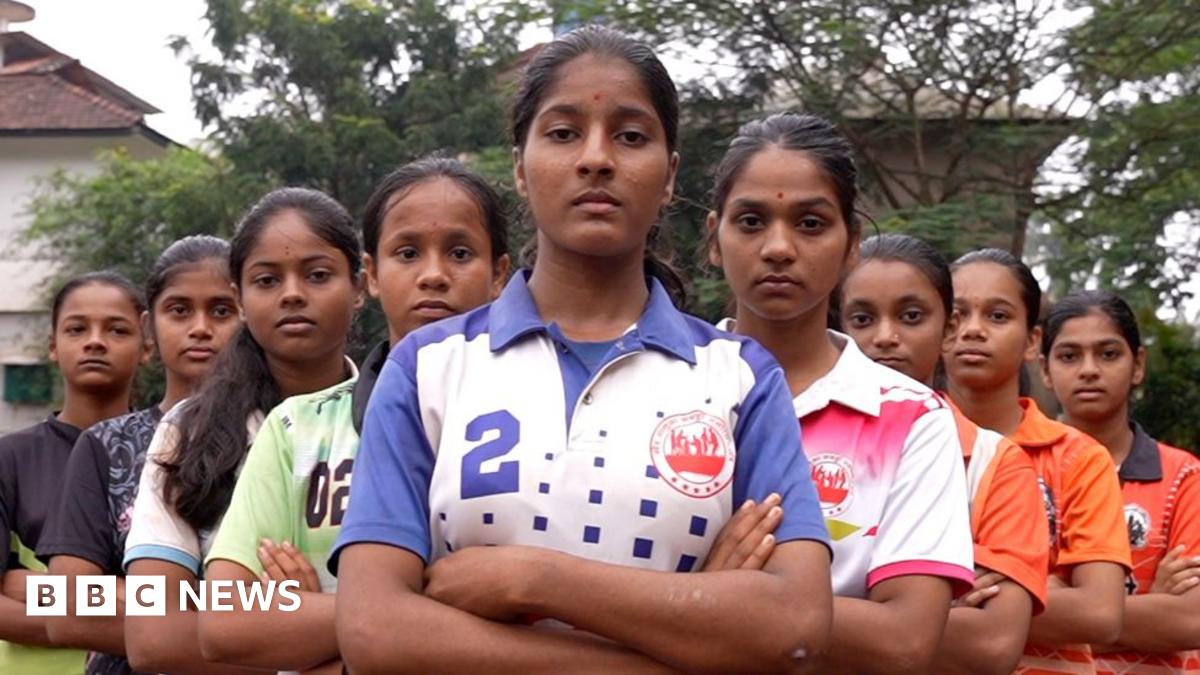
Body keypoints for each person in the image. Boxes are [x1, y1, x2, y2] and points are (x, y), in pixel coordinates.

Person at [332, 26, 833, 675]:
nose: (597, 158)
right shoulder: (429, 366)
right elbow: (376, 632)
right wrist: (688, 642)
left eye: (630, 135)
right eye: (564, 132)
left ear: (670, 173)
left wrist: (533, 578)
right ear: (519, 164)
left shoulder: (739, 376)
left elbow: (795, 624)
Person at [198, 157, 512, 675]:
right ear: (372, 274)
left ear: (499, 273)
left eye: (459, 253)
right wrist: (391, 618)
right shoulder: (294, 428)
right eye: (407, 253)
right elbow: (213, 622)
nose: (433, 275)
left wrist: (313, 615)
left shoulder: (544, 416)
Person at [708, 113, 974, 675]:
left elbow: (904, 640)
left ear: (852, 244)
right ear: (715, 239)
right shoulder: (659, 387)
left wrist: (706, 598)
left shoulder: (913, 418)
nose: (779, 247)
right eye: (751, 221)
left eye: (810, 223)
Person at [122, 188, 363, 675]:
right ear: (241, 298)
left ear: (360, 285)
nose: (292, 293)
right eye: (267, 279)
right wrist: (319, 640)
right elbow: (154, 637)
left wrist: (292, 621)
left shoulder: (400, 414)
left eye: (318, 275)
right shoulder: (188, 432)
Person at [840, 233, 1049, 674]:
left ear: (948, 329)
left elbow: (992, 643)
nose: (885, 337)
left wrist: (778, 609)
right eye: (861, 319)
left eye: (911, 316)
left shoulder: (998, 464)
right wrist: (919, 609)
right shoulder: (788, 429)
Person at [38, 237, 239, 675]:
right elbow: (64, 608)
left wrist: (135, 596)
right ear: (149, 327)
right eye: (180, 310)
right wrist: (248, 614)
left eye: (221, 310)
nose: (200, 327)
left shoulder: (281, 434)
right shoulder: (106, 445)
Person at [946, 248, 1131, 673]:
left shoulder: (1080, 458)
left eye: (997, 316)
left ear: (1033, 341)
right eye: (958, 316)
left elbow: (1101, 613)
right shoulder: (909, 441)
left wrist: (932, 595)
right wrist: (1037, 585)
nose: (973, 330)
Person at [1041, 289, 1200, 673]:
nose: (1089, 369)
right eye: (1069, 356)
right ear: (1045, 370)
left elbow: (1190, 619)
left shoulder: (1185, 477)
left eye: (1108, 354)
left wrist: (1067, 602)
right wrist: (1149, 602)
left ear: (1138, 364)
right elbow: (990, 614)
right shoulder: (1018, 469)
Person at [0, 272, 149, 675]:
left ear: (147, 346)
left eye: (117, 329)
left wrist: (33, 589)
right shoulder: (9, 458)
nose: (95, 341)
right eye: (77, 328)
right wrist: (151, 622)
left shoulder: (167, 452)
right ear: (54, 345)